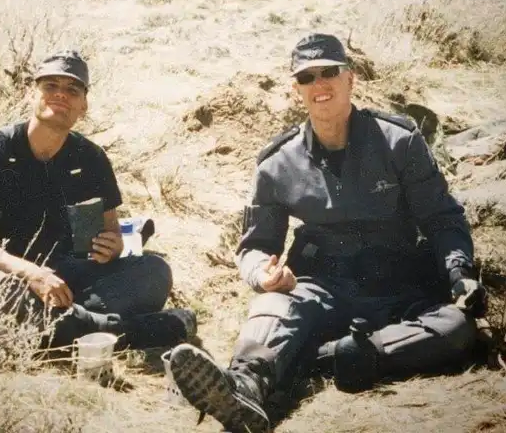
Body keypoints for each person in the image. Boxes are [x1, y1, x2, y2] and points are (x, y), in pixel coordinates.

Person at [168, 33, 486, 432]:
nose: (319, 84)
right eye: (306, 77)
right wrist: (263, 274)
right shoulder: (276, 163)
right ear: (296, 90)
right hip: (322, 285)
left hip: (400, 286)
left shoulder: (399, 141)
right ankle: (245, 387)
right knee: (273, 304)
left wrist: (459, 272)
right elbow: (255, 247)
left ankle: (336, 356)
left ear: (350, 78)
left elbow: (442, 218)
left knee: (457, 328)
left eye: (329, 72)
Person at [0, 50, 196, 350]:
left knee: (154, 272)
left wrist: (112, 247)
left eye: (72, 90)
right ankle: (126, 331)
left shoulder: (91, 158)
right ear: (31, 93)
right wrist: (31, 273)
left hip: (69, 277)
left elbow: (111, 234)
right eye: (50, 86)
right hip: (10, 277)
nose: (60, 95)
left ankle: (67, 326)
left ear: (84, 105)